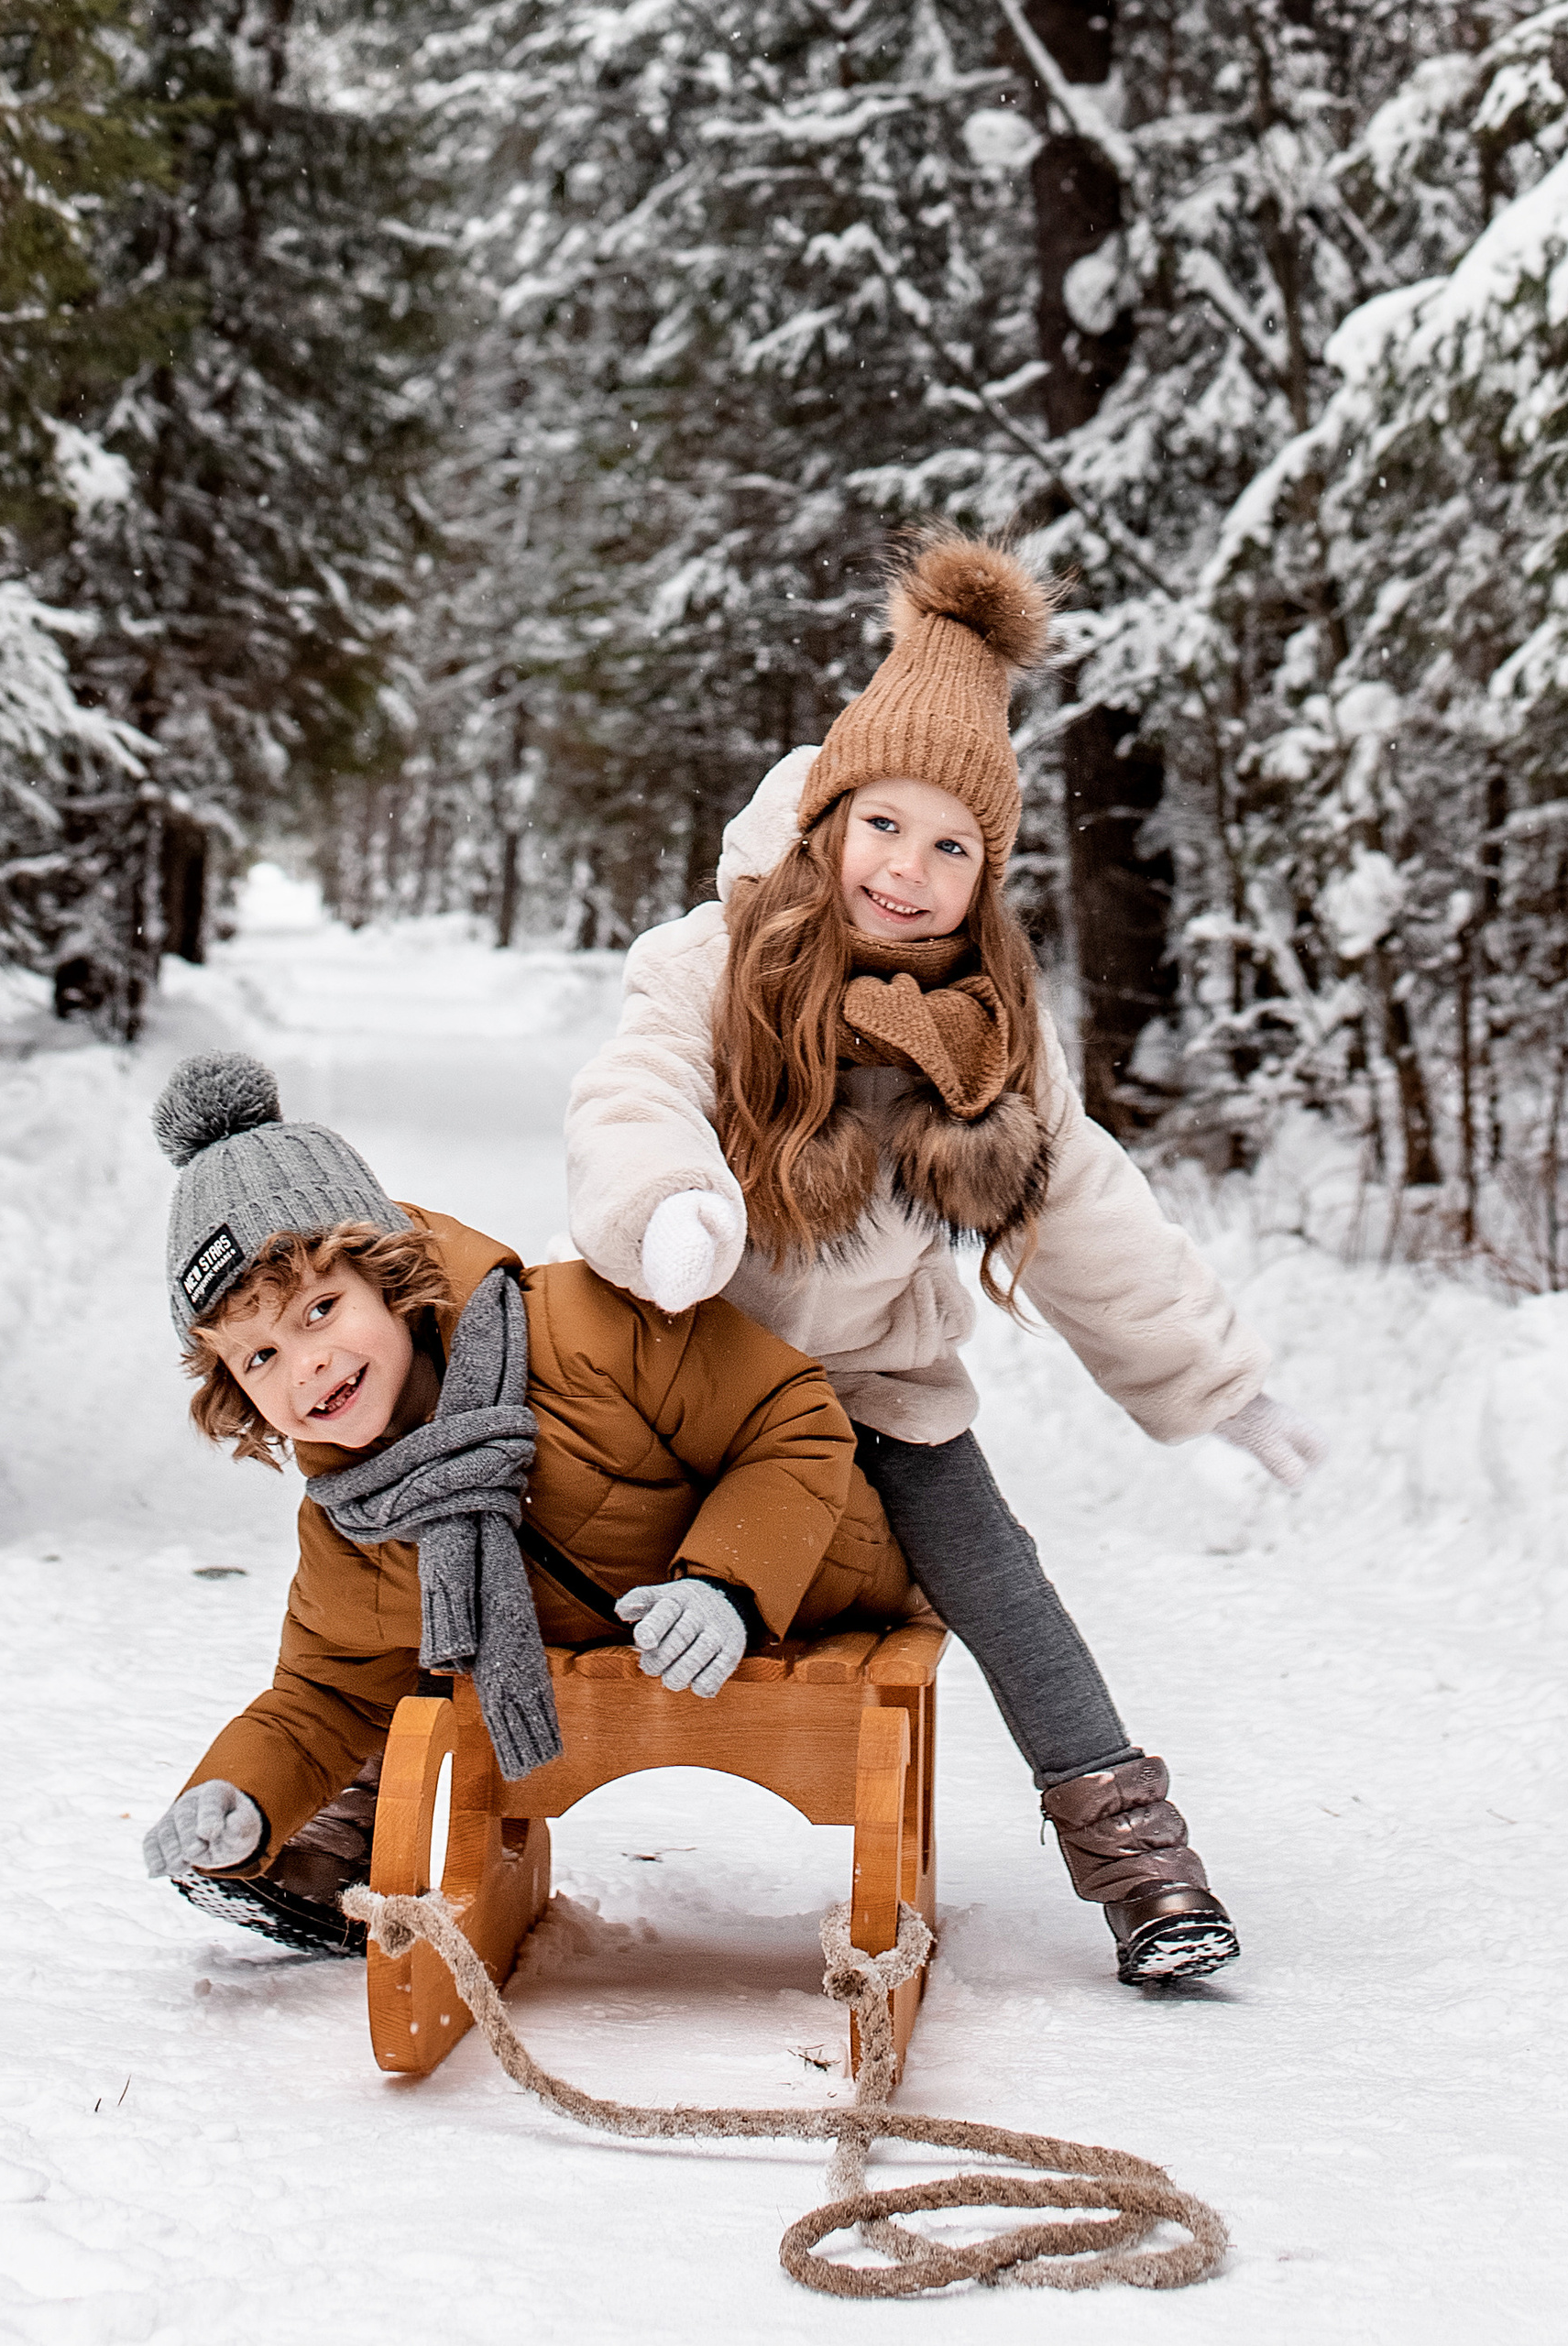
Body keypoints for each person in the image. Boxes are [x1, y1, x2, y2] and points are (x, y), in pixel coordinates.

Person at [562, 530, 1324, 1986]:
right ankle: (350, 1815)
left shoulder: (992, 1034)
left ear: (988, 876)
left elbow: (1084, 1207)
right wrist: (668, 1202)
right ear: (828, 818)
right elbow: (633, 1089)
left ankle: (1139, 1861)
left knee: (1001, 1579)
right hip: (678, 1357)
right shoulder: (716, 961)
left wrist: (1215, 1382)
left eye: (952, 848)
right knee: (505, 1499)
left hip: (864, 1384)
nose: (908, 872)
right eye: (884, 827)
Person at [137, 1051, 914, 1953]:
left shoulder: (580, 1329)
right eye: (259, 1357)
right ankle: (329, 1839)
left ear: (388, 1275)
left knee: (437, 1633)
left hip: (811, 1590)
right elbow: (323, 1693)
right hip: (598, 1641)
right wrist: (239, 1791)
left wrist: (726, 1585)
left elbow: (789, 1418)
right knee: (397, 1657)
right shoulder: (352, 1519)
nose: (305, 1364)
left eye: (319, 1310)